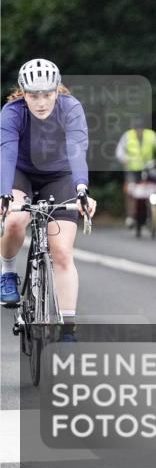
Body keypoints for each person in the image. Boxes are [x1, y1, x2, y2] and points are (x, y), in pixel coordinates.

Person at [0, 59, 97, 342]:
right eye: (33, 95)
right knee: (16, 221)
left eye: (47, 94)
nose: (41, 102)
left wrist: (82, 189)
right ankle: (7, 272)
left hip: (60, 175)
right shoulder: (12, 113)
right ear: (23, 93)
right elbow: (5, 153)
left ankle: (67, 330)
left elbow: (77, 149)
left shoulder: (71, 108)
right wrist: (4, 193)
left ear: (57, 91)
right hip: (21, 173)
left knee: (62, 253)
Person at [115, 117, 156, 228]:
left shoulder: (151, 135)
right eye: (136, 129)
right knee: (129, 190)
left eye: (140, 129)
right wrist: (124, 158)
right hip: (133, 168)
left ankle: (154, 210)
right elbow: (119, 150)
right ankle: (130, 216)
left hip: (149, 167)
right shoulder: (127, 136)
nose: (138, 131)